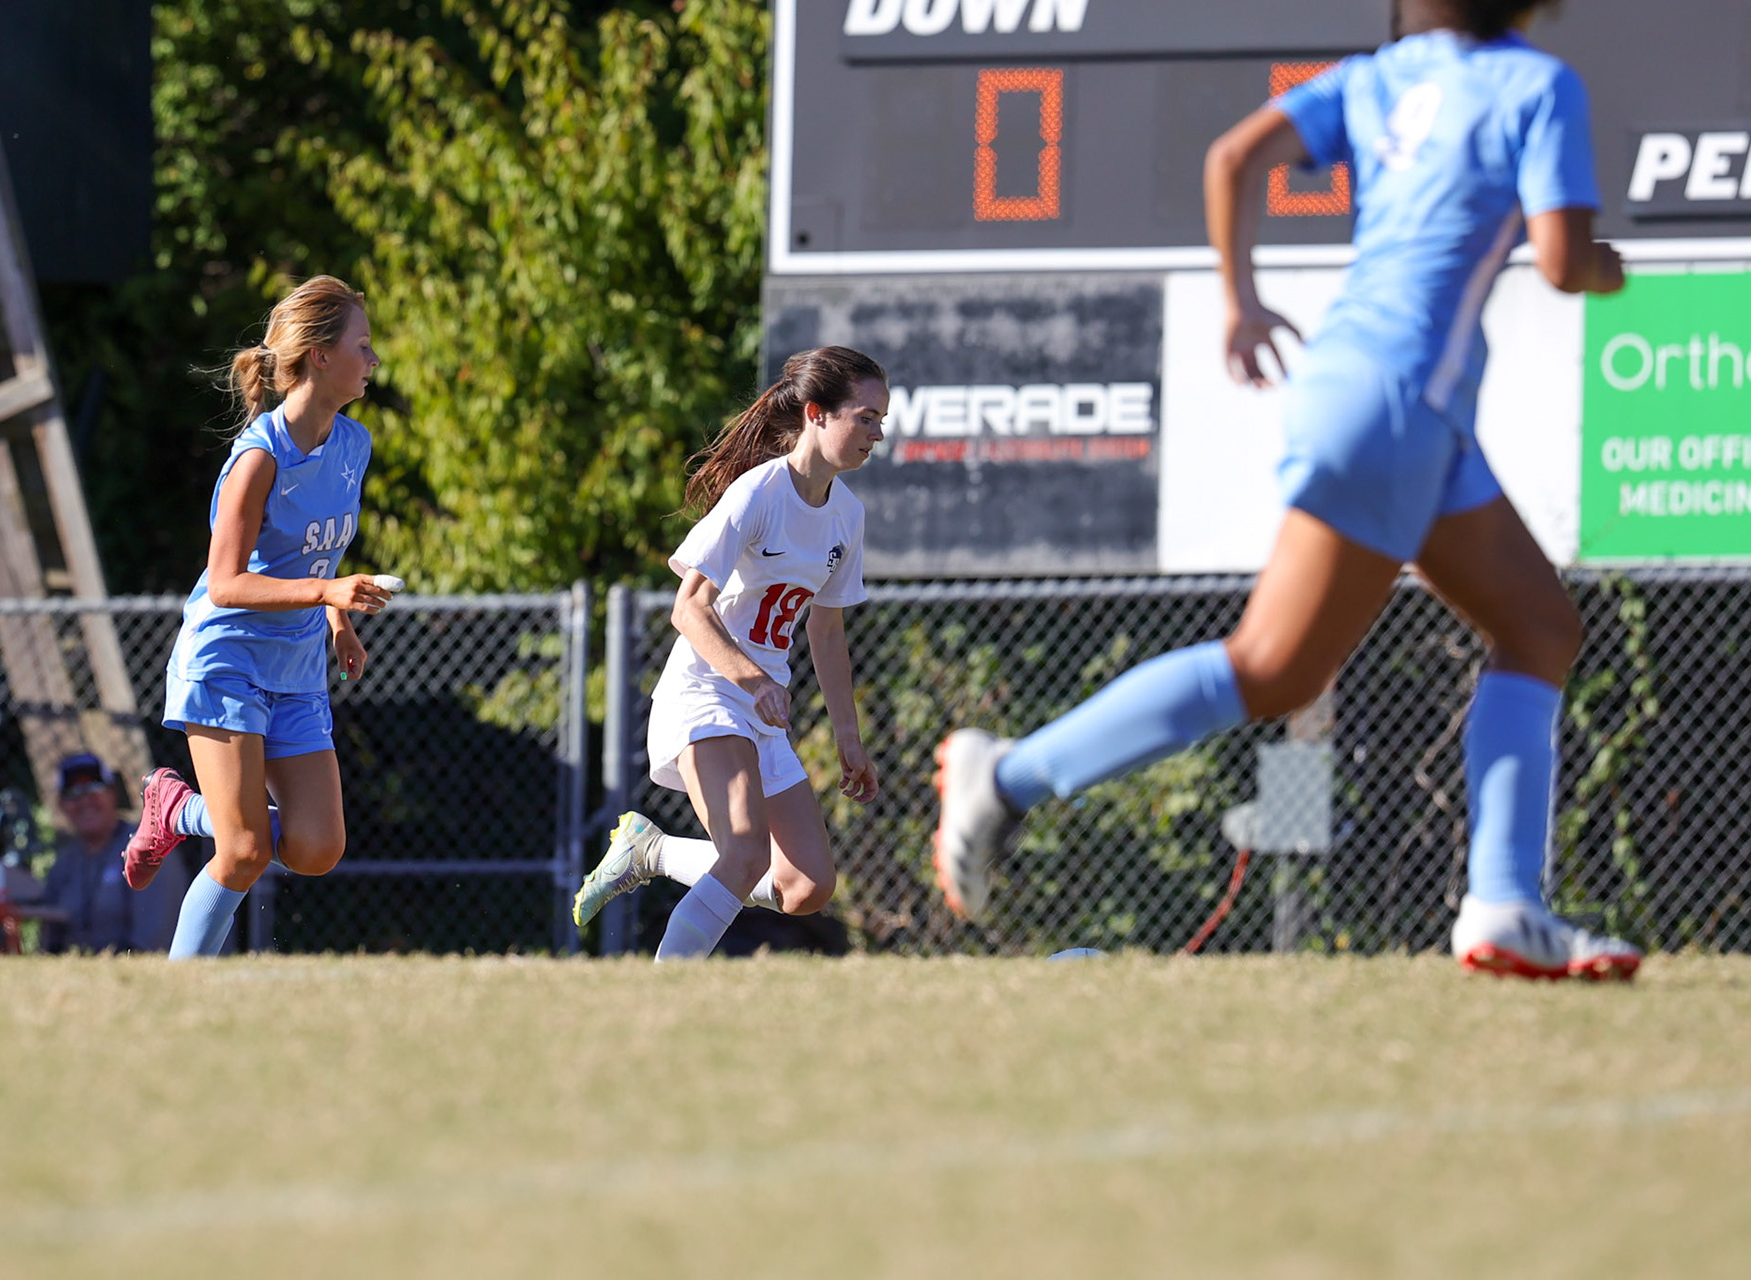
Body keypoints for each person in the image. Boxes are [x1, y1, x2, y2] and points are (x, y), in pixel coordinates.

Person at [934, 0, 1641, 981]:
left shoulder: (1378, 75)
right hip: (1399, 402)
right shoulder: (1535, 83)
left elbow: (1232, 158)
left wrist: (1241, 299)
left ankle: (1508, 904)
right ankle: (1005, 776)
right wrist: (1609, 270)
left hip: (1387, 399)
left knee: (1539, 628)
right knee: (1273, 666)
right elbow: (1564, 264)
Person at [572, 347, 886, 960]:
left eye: (882, 419)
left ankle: (653, 852)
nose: (878, 433)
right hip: (708, 691)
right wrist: (753, 680)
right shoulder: (759, 493)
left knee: (806, 887)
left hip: (760, 709)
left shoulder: (848, 516)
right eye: (866, 416)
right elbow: (688, 607)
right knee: (743, 851)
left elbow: (826, 633)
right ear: (817, 414)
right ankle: (660, 1003)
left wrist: (849, 738)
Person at [121, 275, 389, 959]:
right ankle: (179, 987)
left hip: (295, 666)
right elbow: (226, 582)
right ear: (321, 356)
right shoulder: (260, 456)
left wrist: (337, 620)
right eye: (364, 345)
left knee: (318, 847)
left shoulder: (352, 443)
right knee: (241, 852)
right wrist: (326, 598)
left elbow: (317, 555)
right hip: (228, 659)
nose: (374, 360)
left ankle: (184, 813)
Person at [42, 753, 185, 953]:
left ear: (113, 794)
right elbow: (49, 939)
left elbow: (153, 941)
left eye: (94, 787)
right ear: (61, 805)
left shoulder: (146, 847)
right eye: (72, 792)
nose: (85, 800)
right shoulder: (65, 862)